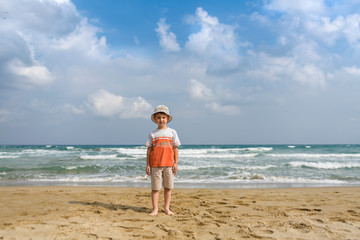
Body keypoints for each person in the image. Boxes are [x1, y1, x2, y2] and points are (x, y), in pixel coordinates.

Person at [145, 105, 181, 216]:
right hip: (155, 165)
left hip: (169, 165)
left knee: (168, 187)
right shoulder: (153, 133)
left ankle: (166, 208)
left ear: (167, 119)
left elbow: (175, 148)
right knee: (155, 188)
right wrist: (148, 165)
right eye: (159, 117)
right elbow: (149, 149)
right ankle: (155, 209)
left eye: (164, 117)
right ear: (155, 119)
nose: (161, 120)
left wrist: (175, 163)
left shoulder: (172, 132)